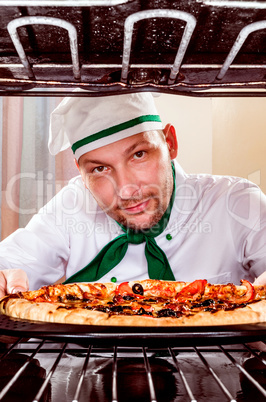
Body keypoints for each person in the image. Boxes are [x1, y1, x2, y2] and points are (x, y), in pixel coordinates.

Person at [0, 91, 266, 298]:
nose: (126, 189)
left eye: (139, 155)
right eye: (100, 169)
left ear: (169, 143)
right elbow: (12, 263)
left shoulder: (236, 201)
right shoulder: (71, 206)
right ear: (81, 174)